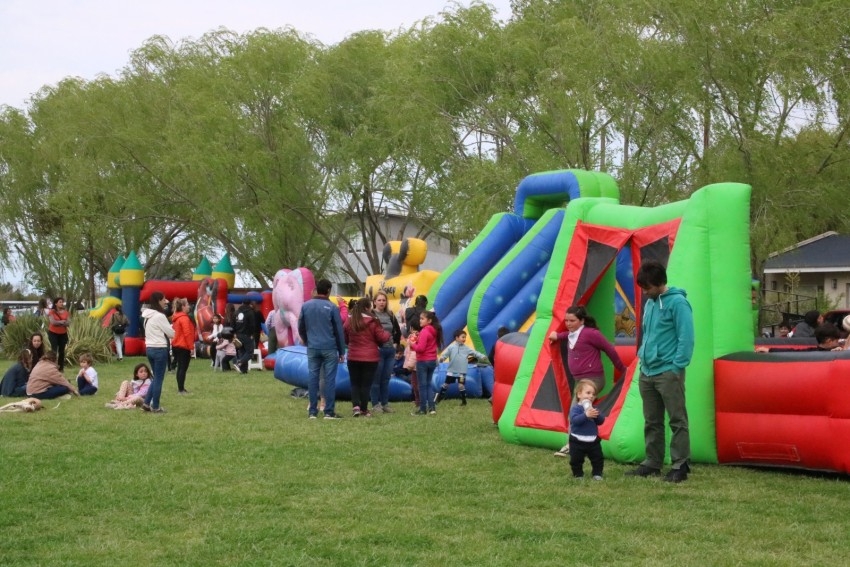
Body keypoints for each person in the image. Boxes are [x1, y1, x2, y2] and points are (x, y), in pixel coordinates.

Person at [626, 261, 694, 483]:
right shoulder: (650, 304)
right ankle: (652, 462)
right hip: (647, 370)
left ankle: (680, 464)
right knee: (651, 420)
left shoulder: (678, 303)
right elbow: (647, 335)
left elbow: (686, 337)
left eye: (648, 288)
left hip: (668, 371)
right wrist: (642, 360)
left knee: (677, 419)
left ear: (659, 283)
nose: (645, 293)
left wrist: (677, 367)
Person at [548, 305, 627, 458]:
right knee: (583, 412)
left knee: (576, 410)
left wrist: (623, 370)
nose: (568, 324)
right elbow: (568, 335)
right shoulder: (571, 334)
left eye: (572, 320)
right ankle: (586, 442)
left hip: (593, 378)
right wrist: (557, 336)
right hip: (580, 380)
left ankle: (573, 445)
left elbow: (609, 349)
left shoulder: (591, 334)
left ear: (582, 321)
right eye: (566, 321)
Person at [298, 278, 346, 420]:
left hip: (313, 347)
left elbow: (301, 327)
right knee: (329, 380)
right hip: (329, 348)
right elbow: (338, 330)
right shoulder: (332, 308)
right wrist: (342, 351)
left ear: (316, 289)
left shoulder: (306, 306)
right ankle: (328, 412)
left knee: (313, 379)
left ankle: (312, 411)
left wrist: (308, 341)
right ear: (329, 291)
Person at [344, 297, 391, 417]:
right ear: (366, 308)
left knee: (355, 383)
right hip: (370, 358)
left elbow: (345, 336)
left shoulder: (350, 320)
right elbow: (382, 337)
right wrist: (388, 333)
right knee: (366, 384)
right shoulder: (373, 321)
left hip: (353, 356)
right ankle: (364, 409)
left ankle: (355, 407)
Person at [436, 328, 488, 406]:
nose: (464, 339)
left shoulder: (466, 348)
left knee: (461, 385)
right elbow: (444, 355)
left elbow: (474, 353)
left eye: (465, 337)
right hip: (452, 371)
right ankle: (439, 399)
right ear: (457, 338)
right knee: (446, 384)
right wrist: (442, 359)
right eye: (462, 337)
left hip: (461, 372)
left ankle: (464, 401)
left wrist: (482, 356)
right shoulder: (451, 347)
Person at [141, 291, 174, 413]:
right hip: (160, 348)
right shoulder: (160, 316)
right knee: (159, 379)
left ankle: (146, 403)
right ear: (159, 301)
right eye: (164, 299)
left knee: (155, 378)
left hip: (149, 348)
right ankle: (155, 406)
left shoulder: (146, 316)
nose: (165, 302)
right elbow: (171, 333)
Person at [370, 291, 401, 414]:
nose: (382, 302)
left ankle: (385, 404)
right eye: (379, 300)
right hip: (377, 350)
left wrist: (395, 344)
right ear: (374, 302)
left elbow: (397, 331)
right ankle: (375, 404)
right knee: (376, 379)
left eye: (384, 300)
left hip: (389, 350)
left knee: (386, 378)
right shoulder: (371, 315)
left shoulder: (390, 315)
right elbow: (368, 332)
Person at [568, 379, 606, 480]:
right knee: (576, 459)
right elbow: (575, 420)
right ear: (579, 394)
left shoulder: (594, 409)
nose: (591, 396)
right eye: (588, 393)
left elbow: (601, 421)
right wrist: (585, 415)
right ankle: (578, 474)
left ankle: (597, 473)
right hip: (577, 440)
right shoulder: (576, 409)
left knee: (598, 458)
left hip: (593, 440)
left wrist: (596, 414)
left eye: (593, 394)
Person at [410, 310, 443, 415]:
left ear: (429, 321)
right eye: (420, 318)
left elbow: (420, 348)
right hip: (432, 360)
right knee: (428, 385)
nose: (420, 320)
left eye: (422, 319)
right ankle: (432, 407)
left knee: (422, 386)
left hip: (423, 361)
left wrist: (412, 344)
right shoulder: (433, 330)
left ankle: (423, 408)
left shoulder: (425, 331)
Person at [170, 298, 195, 394]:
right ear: (183, 306)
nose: (189, 306)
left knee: (180, 367)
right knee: (182, 368)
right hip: (183, 346)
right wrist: (191, 347)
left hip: (176, 344)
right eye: (187, 304)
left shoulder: (176, 317)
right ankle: (181, 389)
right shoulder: (184, 318)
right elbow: (187, 333)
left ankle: (180, 388)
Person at [47, 297, 71, 371]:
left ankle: (61, 368)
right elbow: (53, 322)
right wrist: (62, 322)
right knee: (54, 350)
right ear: (56, 303)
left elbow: (68, 323)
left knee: (62, 351)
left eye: (62, 302)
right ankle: (52, 367)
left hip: (63, 334)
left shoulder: (66, 312)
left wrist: (61, 323)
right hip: (53, 333)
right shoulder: (52, 312)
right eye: (60, 302)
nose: (61, 303)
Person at [233, 300, 256, 374]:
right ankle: (239, 362)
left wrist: (234, 333)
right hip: (247, 335)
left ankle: (243, 370)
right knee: (249, 352)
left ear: (242, 303)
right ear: (249, 304)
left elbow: (232, 323)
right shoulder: (250, 312)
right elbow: (252, 325)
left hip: (238, 334)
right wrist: (252, 333)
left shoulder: (236, 312)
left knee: (242, 352)